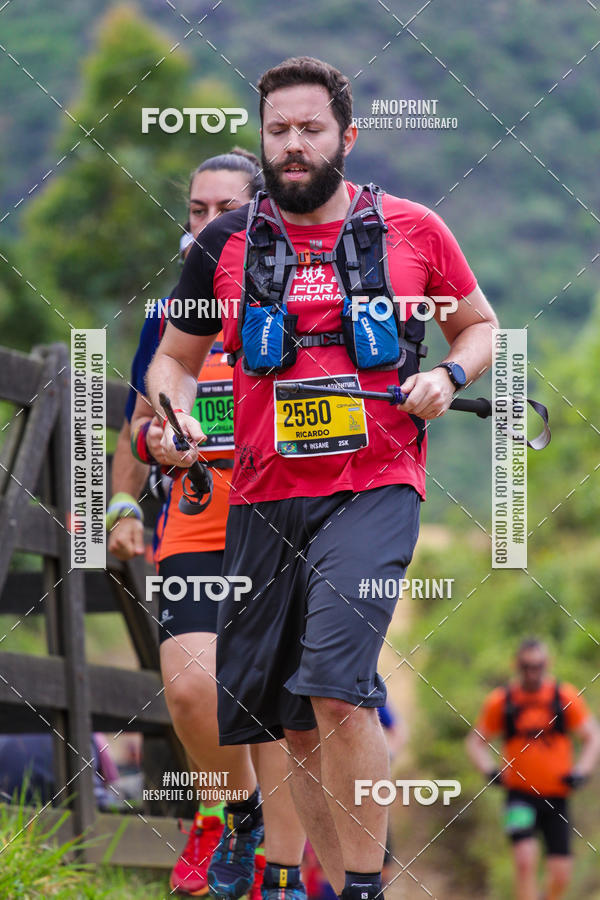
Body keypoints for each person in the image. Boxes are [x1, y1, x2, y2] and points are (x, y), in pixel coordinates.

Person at [147, 55, 498, 900]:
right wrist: (176, 412)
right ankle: (330, 886)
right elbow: (174, 360)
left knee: (336, 691)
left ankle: (370, 889)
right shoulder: (227, 244)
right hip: (263, 500)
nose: (293, 146)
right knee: (289, 718)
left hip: (376, 485)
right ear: (262, 139)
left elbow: (479, 326)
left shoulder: (414, 229)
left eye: (310, 129)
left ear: (347, 134)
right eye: (278, 132)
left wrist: (447, 379)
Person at [106, 149, 305, 898]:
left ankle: (281, 872)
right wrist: (127, 499)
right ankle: (229, 814)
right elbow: (139, 422)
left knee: (283, 703)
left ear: (258, 213)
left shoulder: (295, 292)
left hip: (287, 520)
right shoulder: (172, 314)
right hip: (196, 514)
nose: (204, 224)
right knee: (193, 689)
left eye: (222, 209)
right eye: (194, 210)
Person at [466, 638, 600, 900]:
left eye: (537, 666)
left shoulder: (564, 697)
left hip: (557, 797)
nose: (532, 672)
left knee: (561, 873)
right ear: (517, 665)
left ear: (546, 664)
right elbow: (475, 742)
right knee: (524, 860)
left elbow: (592, 737)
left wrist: (582, 771)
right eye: (526, 666)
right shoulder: (501, 701)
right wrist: (490, 771)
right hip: (519, 796)